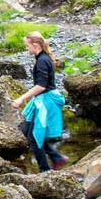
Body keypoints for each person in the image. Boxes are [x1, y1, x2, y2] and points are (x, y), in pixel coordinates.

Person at [11, 31, 69, 171]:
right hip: (42, 99)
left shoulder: (42, 61)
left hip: (46, 101)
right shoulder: (42, 58)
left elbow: (41, 86)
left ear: (35, 45)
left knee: (34, 137)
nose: (26, 49)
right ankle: (56, 157)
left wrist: (21, 99)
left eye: (27, 46)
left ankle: (45, 169)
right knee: (27, 130)